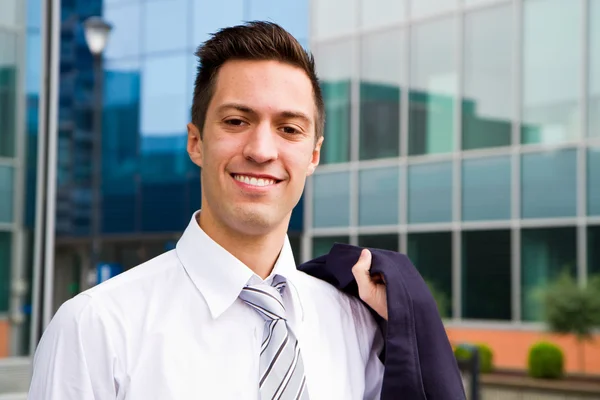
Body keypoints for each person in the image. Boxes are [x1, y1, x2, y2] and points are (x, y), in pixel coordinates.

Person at [28, 21, 388, 399]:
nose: (261, 150)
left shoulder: (356, 325)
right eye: (236, 121)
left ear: (313, 154)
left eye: (289, 129)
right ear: (196, 142)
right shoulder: (95, 327)